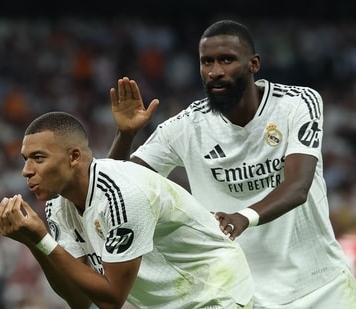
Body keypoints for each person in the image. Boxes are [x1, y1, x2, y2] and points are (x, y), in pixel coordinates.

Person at [107, 19, 356, 308]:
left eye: (226, 60)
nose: (215, 72)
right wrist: (125, 135)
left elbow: (298, 186)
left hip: (321, 287)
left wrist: (241, 218)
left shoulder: (297, 103)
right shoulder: (186, 126)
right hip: (238, 293)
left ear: (253, 64)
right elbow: (117, 189)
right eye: (206, 62)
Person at [0, 111, 254, 309]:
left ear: (74, 157)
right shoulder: (57, 203)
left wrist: (42, 238)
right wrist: (36, 243)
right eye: (25, 159)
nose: (26, 170)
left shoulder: (122, 194)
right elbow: (80, 300)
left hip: (215, 292)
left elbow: (111, 300)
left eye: (38, 158)